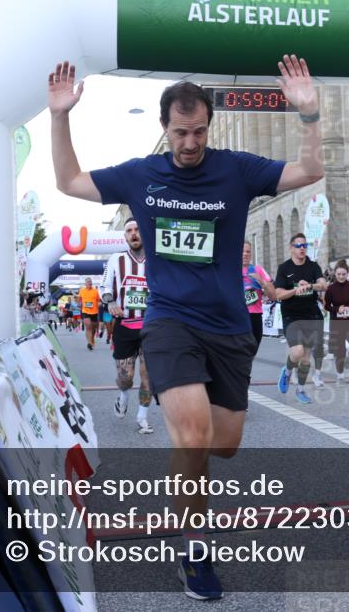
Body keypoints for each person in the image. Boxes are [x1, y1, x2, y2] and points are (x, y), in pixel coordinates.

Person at [47, 54, 323, 600]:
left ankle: (188, 476)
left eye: (198, 131)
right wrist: (60, 115)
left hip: (229, 329)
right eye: (180, 132)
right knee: (193, 436)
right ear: (164, 127)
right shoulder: (141, 175)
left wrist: (309, 116)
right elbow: (69, 181)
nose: (190, 143)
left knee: (222, 446)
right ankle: (194, 549)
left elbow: (308, 172)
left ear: (208, 126)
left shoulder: (236, 170)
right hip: (169, 320)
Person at [101, 218, 154, 434]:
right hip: (125, 325)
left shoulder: (157, 260)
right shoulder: (117, 259)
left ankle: (142, 417)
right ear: (125, 236)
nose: (133, 234)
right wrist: (111, 303)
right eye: (129, 231)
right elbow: (104, 287)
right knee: (126, 377)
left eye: (137, 229)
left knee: (148, 375)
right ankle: (123, 395)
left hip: (152, 325)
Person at [275, 233, 327, 404]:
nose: (303, 248)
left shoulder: (313, 266)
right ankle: (288, 371)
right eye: (299, 246)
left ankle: (300, 389)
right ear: (291, 247)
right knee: (297, 351)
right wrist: (295, 290)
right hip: (292, 315)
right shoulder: (284, 268)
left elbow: (323, 284)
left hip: (311, 315)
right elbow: (278, 294)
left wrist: (310, 285)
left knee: (305, 359)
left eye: (305, 245)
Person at [323, 259, 349, 384]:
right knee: (339, 350)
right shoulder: (331, 288)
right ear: (335, 274)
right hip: (337, 323)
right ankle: (340, 375)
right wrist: (337, 309)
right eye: (339, 274)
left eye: (343, 274)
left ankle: (348, 357)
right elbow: (326, 306)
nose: (341, 276)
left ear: (348, 274)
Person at [242, 240, 276, 349]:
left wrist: (261, 281)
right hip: (238, 317)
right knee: (239, 356)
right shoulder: (231, 270)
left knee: (251, 353)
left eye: (248, 252)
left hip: (255, 317)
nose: (245, 254)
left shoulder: (258, 270)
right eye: (242, 251)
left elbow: (273, 295)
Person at [78, 277, 101, 350]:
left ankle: (92, 339)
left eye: (90, 282)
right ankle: (89, 343)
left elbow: (99, 300)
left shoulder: (96, 291)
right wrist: (79, 304)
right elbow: (79, 300)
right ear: (85, 283)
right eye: (88, 282)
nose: (89, 283)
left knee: (93, 328)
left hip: (94, 312)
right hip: (85, 311)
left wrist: (99, 304)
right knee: (88, 327)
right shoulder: (82, 291)